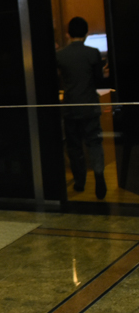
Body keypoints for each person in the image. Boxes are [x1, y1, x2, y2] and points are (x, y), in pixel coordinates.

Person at [56, 16, 107, 199]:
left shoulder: (60, 55)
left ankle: (79, 182)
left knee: (74, 146)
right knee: (94, 142)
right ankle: (99, 174)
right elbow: (98, 80)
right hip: (90, 106)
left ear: (68, 34)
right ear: (86, 33)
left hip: (71, 107)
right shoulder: (93, 53)